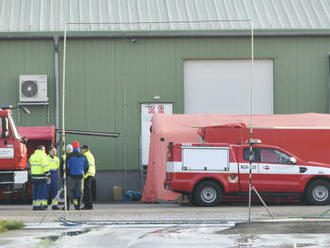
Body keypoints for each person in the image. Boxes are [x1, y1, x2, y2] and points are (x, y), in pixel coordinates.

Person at [66, 141, 89, 210]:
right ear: (78, 147)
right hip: (80, 176)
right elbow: (86, 166)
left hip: (72, 176)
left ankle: (68, 206)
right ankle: (78, 206)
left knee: (70, 190)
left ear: (73, 147)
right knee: (80, 191)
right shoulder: (83, 156)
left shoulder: (69, 156)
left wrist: (69, 173)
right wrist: (83, 172)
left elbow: (67, 167)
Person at [30, 145, 50, 210]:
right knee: (40, 191)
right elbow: (45, 166)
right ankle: (38, 206)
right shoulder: (43, 156)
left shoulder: (32, 156)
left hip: (34, 176)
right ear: (41, 149)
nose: (45, 151)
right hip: (41, 176)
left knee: (35, 191)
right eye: (44, 149)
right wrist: (48, 174)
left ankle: (35, 205)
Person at [81, 145, 95, 210]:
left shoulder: (86, 155)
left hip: (88, 175)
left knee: (87, 191)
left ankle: (88, 206)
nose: (81, 150)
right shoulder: (90, 155)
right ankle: (89, 205)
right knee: (88, 191)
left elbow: (86, 166)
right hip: (91, 174)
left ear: (86, 149)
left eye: (82, 149)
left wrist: (84, 174)